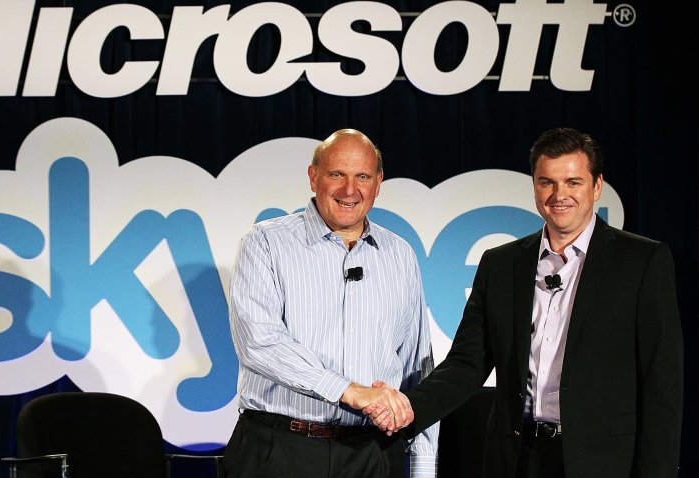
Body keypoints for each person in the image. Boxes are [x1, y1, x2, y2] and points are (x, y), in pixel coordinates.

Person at [367, 126, 683, 477]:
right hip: (516, 458)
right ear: (534, 186)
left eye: (573, 182)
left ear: (596, 186)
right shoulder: (501, 264)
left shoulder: (641, 261)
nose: (559, 194)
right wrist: (409, 407)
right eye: (547, 182)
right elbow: (466, 365)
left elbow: (661, 384)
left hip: (602, 461)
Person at [224, 129, 438, 478]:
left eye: (363, 177)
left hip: (373, 454)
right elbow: (259, 344)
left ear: (379, 182)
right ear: (313, 177)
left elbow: (417, 367)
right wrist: (350, 392)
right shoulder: (265, 242)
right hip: (281, 450)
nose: (349, 190)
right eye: (337, 174)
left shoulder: (400, 255)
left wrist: (423, 465)